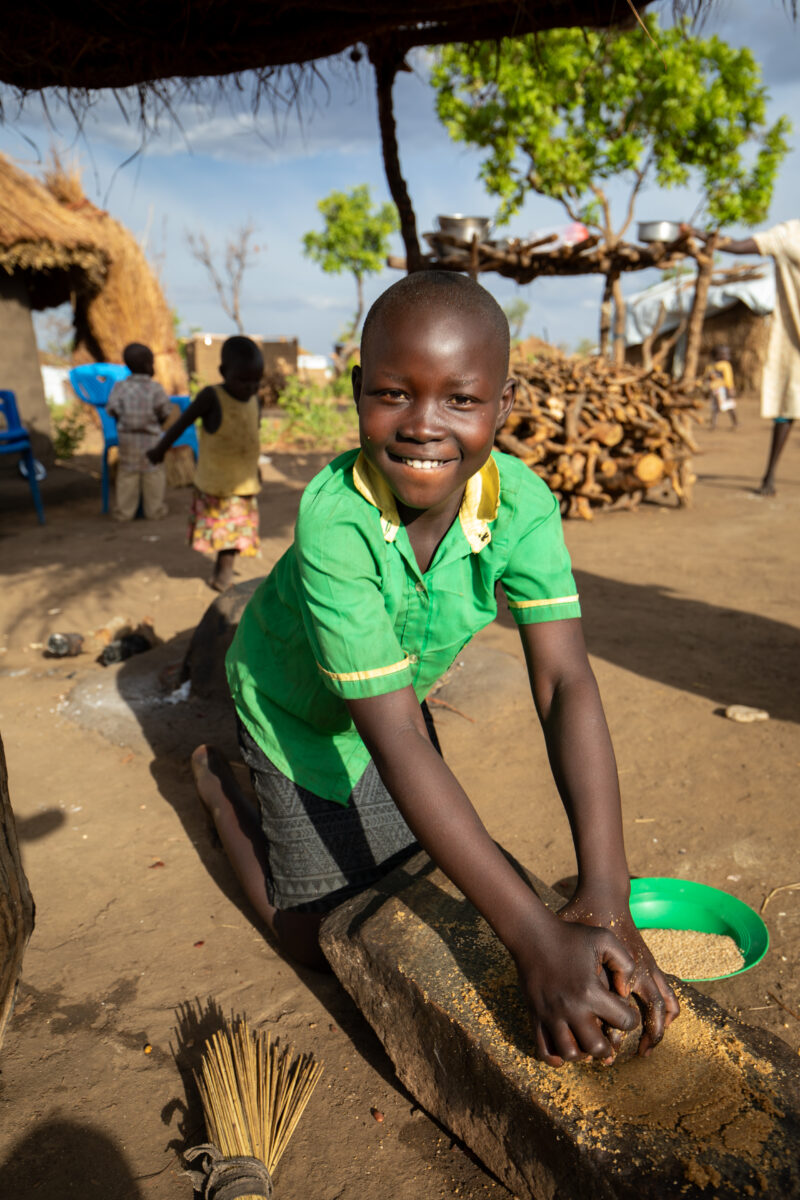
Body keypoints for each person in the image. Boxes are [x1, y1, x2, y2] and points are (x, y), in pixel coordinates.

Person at [193, 272, 679, 1068]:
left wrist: (606, 894)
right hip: (296, 710)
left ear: (503, 403)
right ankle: (221, 782)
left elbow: (566, 683)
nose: (424, 426)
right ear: (357, 392)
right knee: (320, 937)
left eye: (460, 399)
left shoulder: (521, 507)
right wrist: (532, 939)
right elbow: (395, 742)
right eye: (393, 394)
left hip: (395, 705)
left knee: (420, 870)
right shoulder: (335, 518)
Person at [148, 336, 264, 591]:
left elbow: (251, 438)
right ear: (223, 372)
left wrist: (255, 469)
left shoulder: (256, 401)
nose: (250, 387)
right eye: (243, 380)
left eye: (256, 381)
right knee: (226, 534)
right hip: (216, 484)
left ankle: (222, 575)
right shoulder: (212, 396)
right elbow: (181, 424)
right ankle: (222, 575)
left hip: (244, 484)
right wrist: (159, 450)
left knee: (233, 534)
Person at [694, 221, 799, 494]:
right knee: (786, 407)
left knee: (787, 408)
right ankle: (769, 478)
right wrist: (699, 234)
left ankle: (769, 479)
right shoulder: (788, 235)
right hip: (794, 336)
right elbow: (738, 245)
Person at [106, 343, 172, 521]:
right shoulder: (155, 388)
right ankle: (154, 511)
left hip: (127, 440)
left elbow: (111, 409)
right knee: (153, 474)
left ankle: (125, 513)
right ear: (147, 365)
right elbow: (165, 411)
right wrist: (156, 424)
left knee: (128, 474)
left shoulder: (120, 387)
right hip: (152, 440)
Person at [705, 344, 738, 431]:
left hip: (724, 390)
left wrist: (730, 389)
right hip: (715, 390)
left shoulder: (725, 365)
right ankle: (713, 424)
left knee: (729, 406)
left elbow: (728, 379)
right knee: (715, 408)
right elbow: (706, 377)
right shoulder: (710, 366)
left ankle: (735, 423)